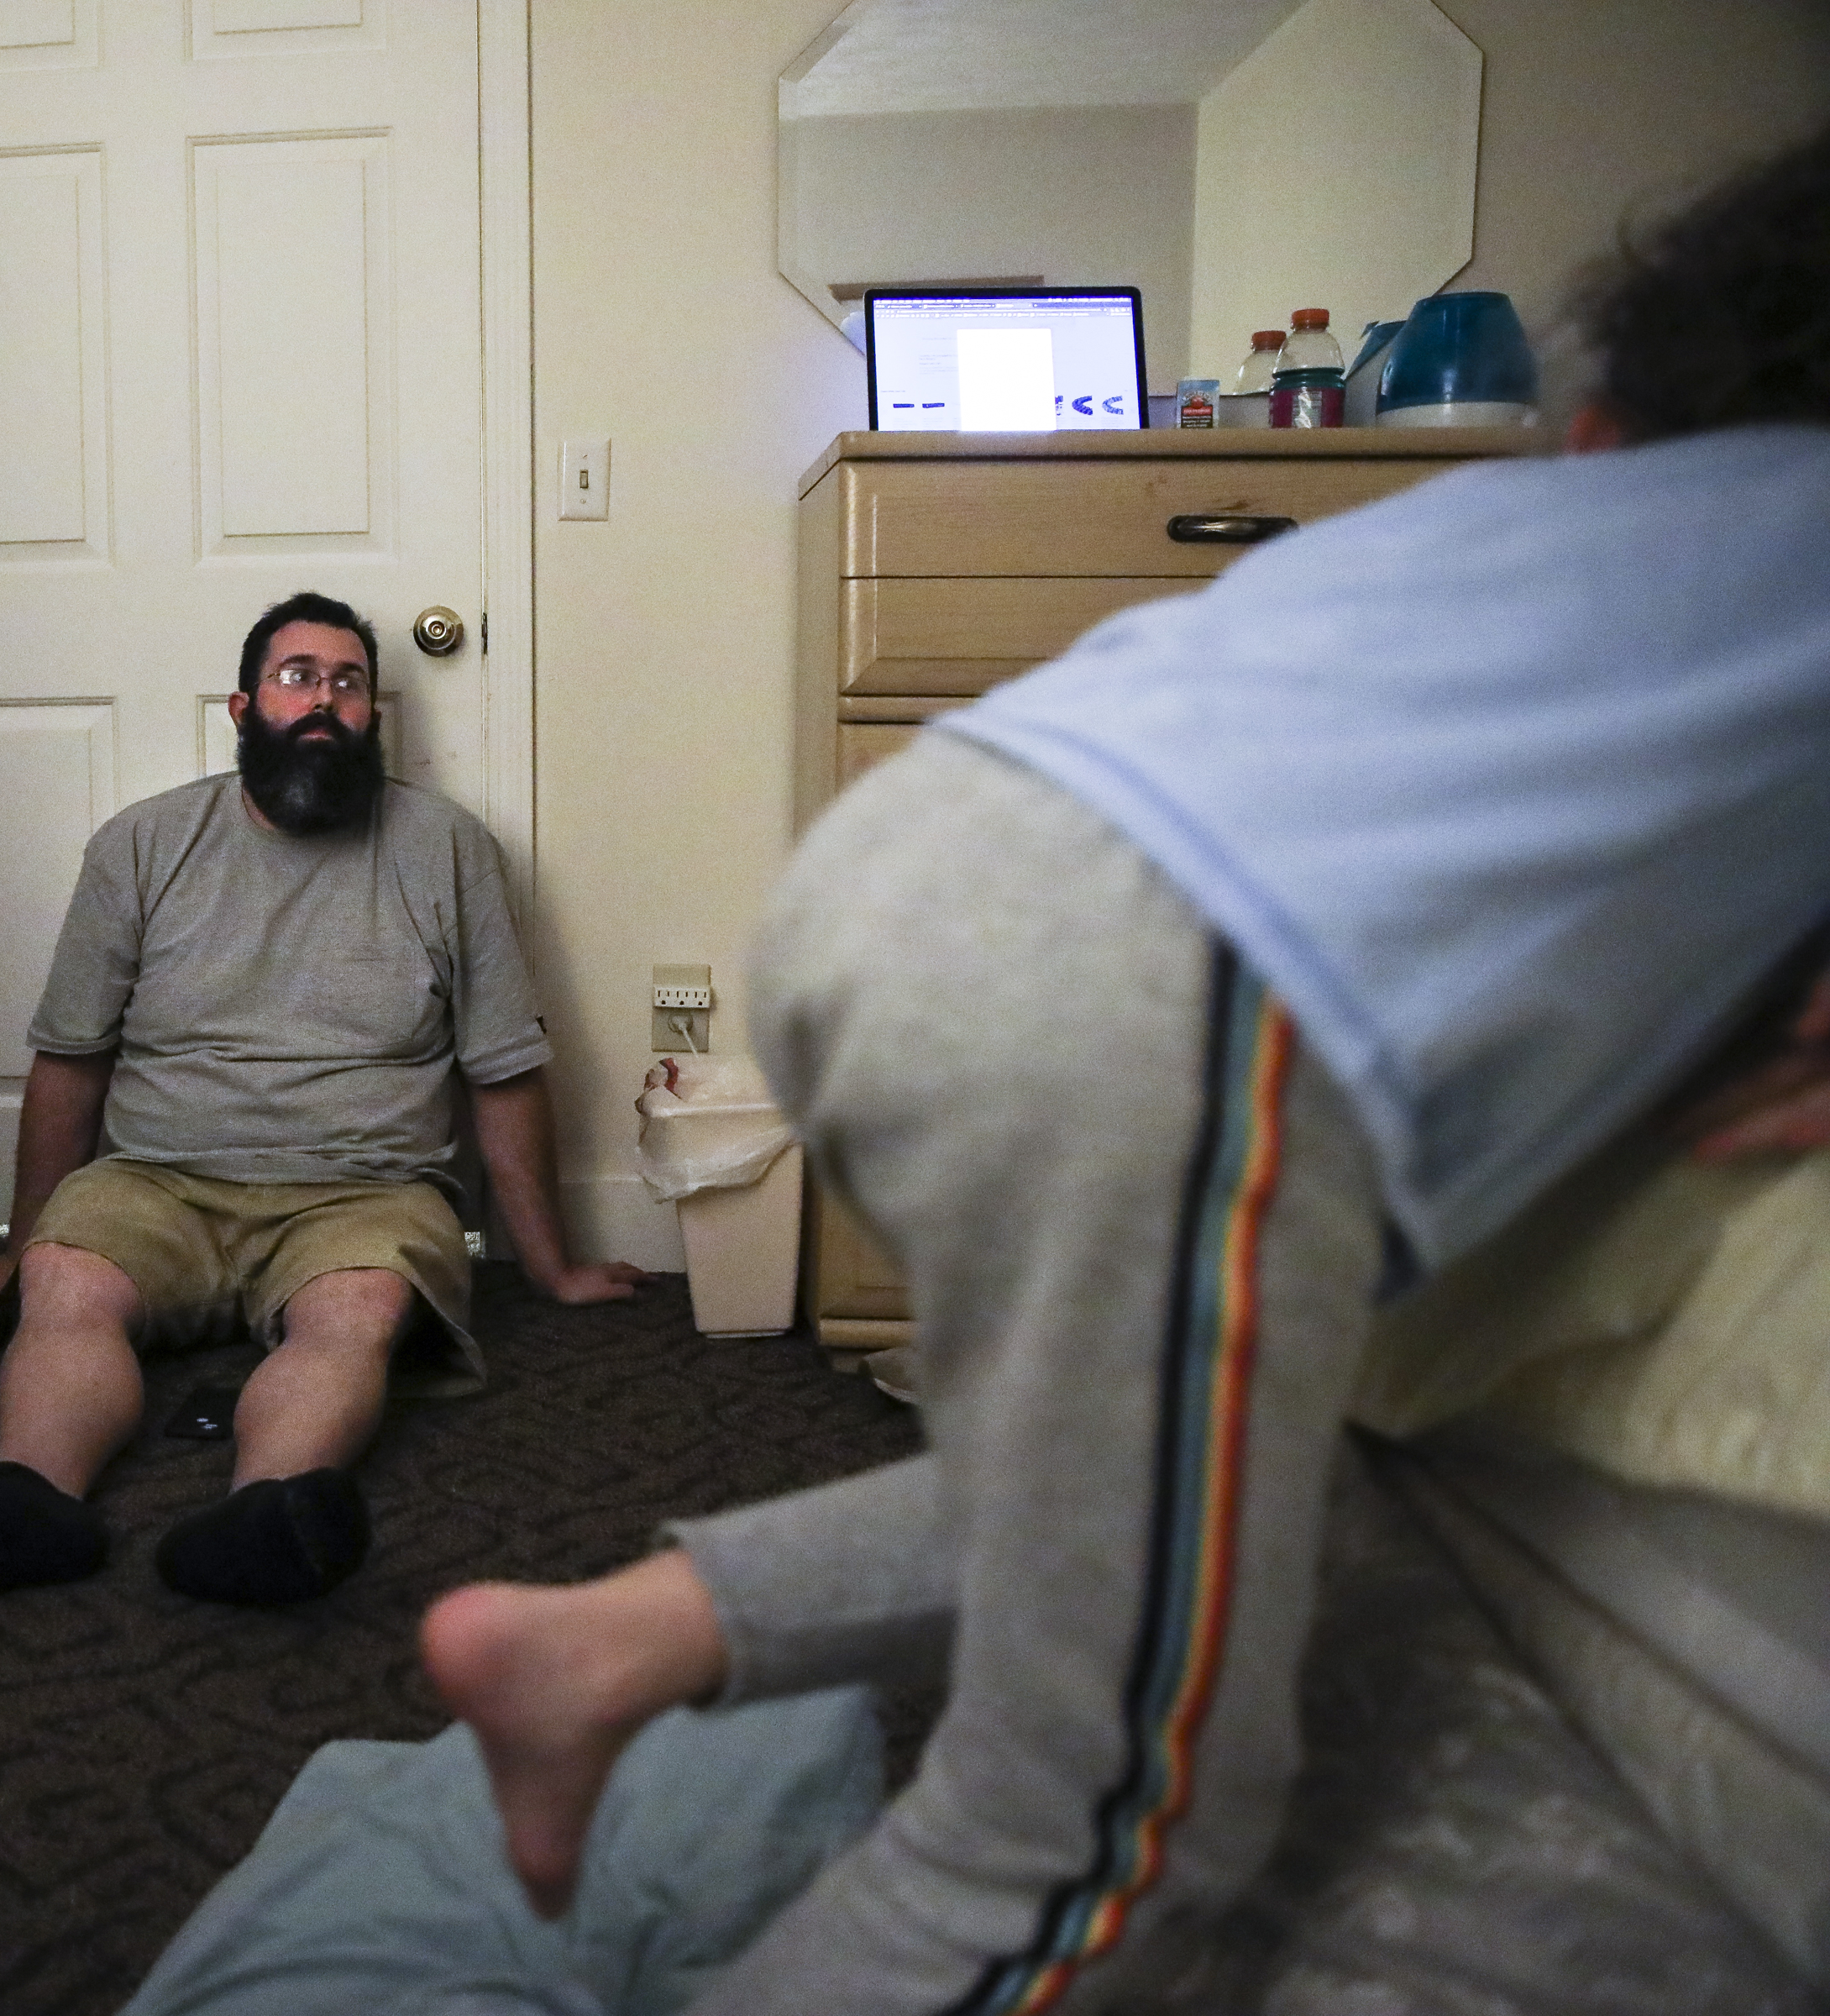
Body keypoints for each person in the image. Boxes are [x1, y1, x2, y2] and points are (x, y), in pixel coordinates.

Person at [123, 127, 1830, 2014]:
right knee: (1104, 1823)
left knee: (1156, 1445)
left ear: (1609, 438)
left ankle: (613, 1643)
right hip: (1154, 982)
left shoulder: (1480, 517)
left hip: (913, 870)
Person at [0, 592, 646, 1604]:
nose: (325, 700)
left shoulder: (447, 851)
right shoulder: (141, 846)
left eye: (348, 683)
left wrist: (553, 1267)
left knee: (355, 1312)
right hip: (156, 1182)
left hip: (367, 1194)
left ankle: (262, 1513)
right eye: (297, 677)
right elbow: (70, 1060)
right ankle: (26, 1500)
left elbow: (502, 1069)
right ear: (242, 709)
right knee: (66, 1286)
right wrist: (21, 1246)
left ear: (372, 716)